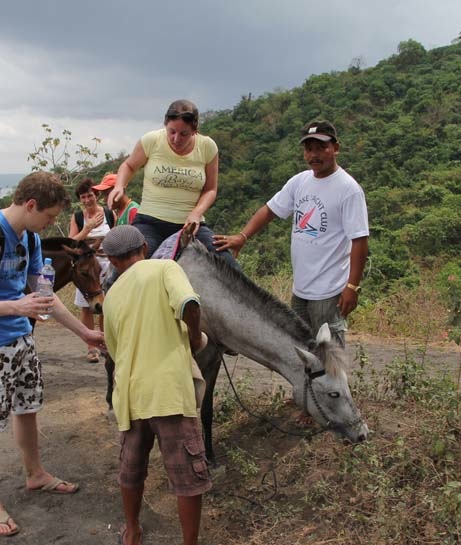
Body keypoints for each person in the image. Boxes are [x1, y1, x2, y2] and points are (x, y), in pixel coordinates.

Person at [0, 171, 105, 537]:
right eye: (49, 216)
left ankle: (36, 474)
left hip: (21, 342)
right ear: (30, 205)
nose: (51, 224)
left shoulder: (30, 238)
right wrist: (16, 307)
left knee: (28, 410)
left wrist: (85, 334)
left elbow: (43, 297)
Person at [101, 225, 229, 545]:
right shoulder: (165, 268)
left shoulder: (111, 295)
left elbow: (112, 349)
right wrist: (191, 339)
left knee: (131, 467)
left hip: (130, 391)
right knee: (187, 472)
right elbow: (189, 303)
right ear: (145, 247)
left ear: (111, 261)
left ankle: (132, 533)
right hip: (168, 389)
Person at [214, 120, 369, 347]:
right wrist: (242, 237)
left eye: (321, 148)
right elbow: (269, 210)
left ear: (335, 148)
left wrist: (352, 287)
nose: (314, 155)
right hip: (301, 290)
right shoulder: (300, 181)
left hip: (329, 291)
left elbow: (360, 240)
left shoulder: (348, 189)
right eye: (309, 149)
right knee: (302, 351)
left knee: (331, 355)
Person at [106, 99, 234, 266]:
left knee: (229, 264)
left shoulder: (208, 147)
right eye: (172, 132)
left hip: (191, 225)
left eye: (184, 134)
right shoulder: (151, 140)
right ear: (165, 124)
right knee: (129, 265)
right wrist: (119, 186)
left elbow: (210, 189)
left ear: (195, 130)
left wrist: (196, 213)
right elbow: (129, 165)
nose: (176, 139)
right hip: (150, 222)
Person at [69, 178, 113, 363]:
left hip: (106, 266)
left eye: (90, 196)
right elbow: (71, 242)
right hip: (87, 268)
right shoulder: (78, 217)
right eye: (83, 197)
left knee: (105, 307)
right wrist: (87, 228)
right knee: (86, 307)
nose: (87, 200)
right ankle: (91, 346)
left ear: (97, 196)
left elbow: (115, 235)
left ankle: (104, 342)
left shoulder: (109, 214)